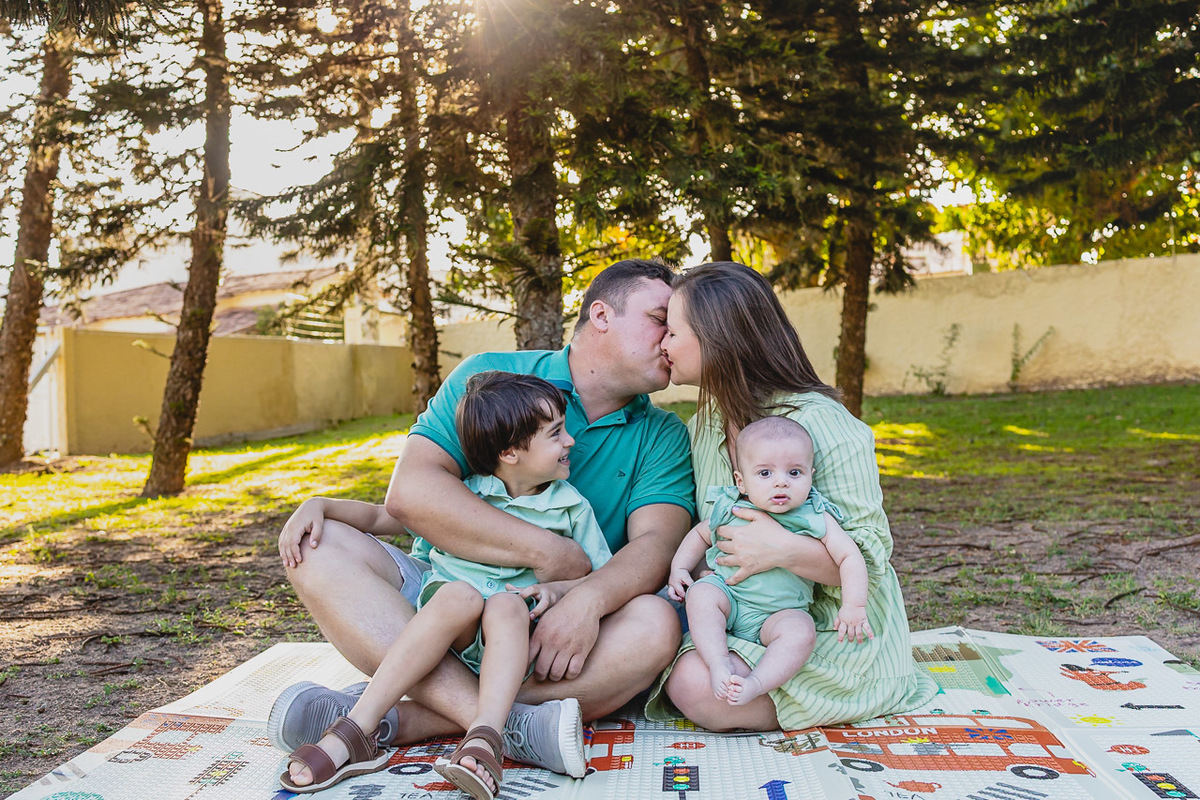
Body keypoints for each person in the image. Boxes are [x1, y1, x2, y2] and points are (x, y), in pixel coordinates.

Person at [270, 259, 695, 777]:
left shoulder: (663, 433)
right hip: (445, 600)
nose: (672, 337)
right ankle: (506, 729)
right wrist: (549, 552)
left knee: (655, 625)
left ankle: (393, 720)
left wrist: (584, 599)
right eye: (659, 318)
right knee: (317, 545)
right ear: (602, 315)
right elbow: (411, 496)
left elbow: (656, 545)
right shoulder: (488, 379)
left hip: (548, 625)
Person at [279, 372, 612, 797]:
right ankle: (358, 728)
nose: (569, 441)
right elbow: (384, 517)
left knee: (506, 607)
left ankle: (485, 737)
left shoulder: (570, 508)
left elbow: (595, 577)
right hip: (449, 627)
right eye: (555, 433)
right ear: (509, 451)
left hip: (513, 639)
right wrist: (319, 504)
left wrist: (557, 591)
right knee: (458, 595)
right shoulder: (464, 495)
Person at [651, 261, 938, 731]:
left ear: (718, 338)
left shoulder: (824, 425)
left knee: (696, 689)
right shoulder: (702, 427)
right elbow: (714, 532)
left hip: (831, 627)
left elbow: (871, 560)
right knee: (686, 676)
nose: (664, 344)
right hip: (746, 616)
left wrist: (782, 549)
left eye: (673, 332)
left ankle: (849, 692)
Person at [667, 415, 873, 707]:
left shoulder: (814, 515)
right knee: (702, 594)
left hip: (779, 613)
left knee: (801, 631)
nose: (781, 483)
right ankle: (718, 662)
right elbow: (701, 534)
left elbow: (849, 555)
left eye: (794, 472)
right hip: (729, 596)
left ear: (810, 475)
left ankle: (756, 683)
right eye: (765, 473)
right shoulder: (732, 506)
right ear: (742, 481)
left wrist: (855, 605)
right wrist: (680, 567)